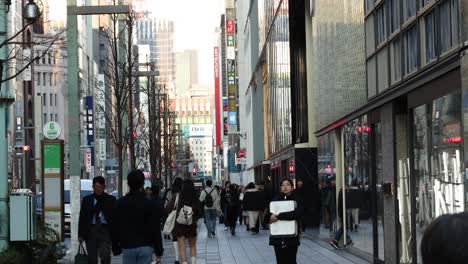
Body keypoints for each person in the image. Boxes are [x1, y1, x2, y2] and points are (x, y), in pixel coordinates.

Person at [112, 170, 164, 264]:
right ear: (143, 183)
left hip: (127, 246)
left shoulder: (120, 203)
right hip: (146, 246)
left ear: (128, 184)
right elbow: (155, 227)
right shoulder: (150, 204)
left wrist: (115, 246)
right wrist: (158, 249)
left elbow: (115, 226)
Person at [78, 176, 116, 264]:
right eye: (96, 187)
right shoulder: (87, 200)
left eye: (100, 187)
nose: (98, 189)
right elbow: (82, 217)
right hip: (90, 230)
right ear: (93, 187)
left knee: (105, 255)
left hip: (105, 230)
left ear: (104, 187)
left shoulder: (110, 200)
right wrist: (80, 234)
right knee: (92, 258)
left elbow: (114, 217)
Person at [269, 179, 304, 264]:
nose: (285, 187)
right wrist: (270, 217)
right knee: (280, 261)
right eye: (283, 185)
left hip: (291, 237)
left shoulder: (297, 199)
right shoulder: (275, 200)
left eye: (287, 185)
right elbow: (267, 216)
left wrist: (278, 216)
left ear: (292, 187)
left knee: (291, 260)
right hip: (277, 236)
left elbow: (297, 213)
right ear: (280, 188)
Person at [167, 180, 202, 264]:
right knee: (192, 246)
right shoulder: (195, 197)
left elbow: (168, 208)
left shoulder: (178, 196)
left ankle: (184, 262)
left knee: (182, 247)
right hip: (191, 225)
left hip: (180, 225)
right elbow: (199, 212)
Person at [163, 177, 183, 264]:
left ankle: (177, 258)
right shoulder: (184, 193)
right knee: (182, 237)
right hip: (183, 218)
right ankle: (183, 258)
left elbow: (167, 207)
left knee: (175, 238)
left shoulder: (171, 193)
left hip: (175, 219)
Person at [149, 184, 165, 263]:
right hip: (157, 222)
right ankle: (158, 256)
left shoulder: (148, 200)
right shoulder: (160, 200)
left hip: (149, 223)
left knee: (150, 240)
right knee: (157, 239)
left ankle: (152, 257)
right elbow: (162, 212)